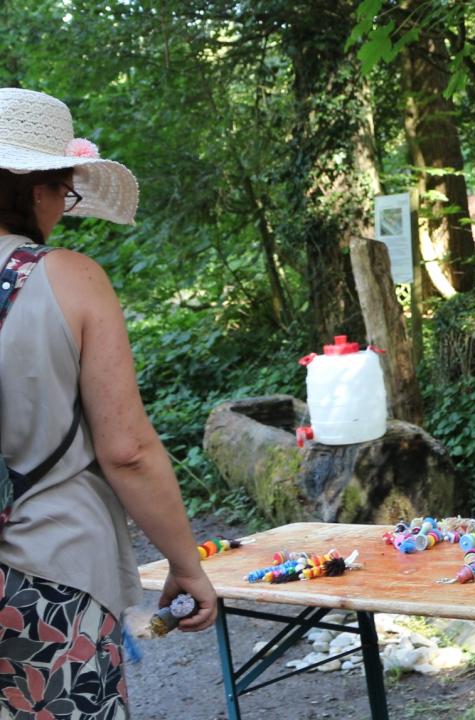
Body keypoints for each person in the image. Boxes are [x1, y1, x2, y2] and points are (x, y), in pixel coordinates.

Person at [0, 88, 217, 717]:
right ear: (38, 187)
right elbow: (127, 451)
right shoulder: (70, 278)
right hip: (48, 574)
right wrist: (185, 565)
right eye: (64, 191)